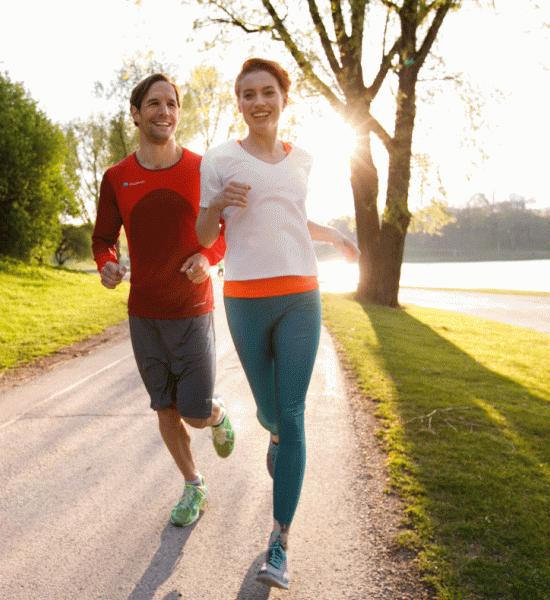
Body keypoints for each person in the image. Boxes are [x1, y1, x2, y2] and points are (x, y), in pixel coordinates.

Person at [195, 58, 360, 589]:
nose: (258, 102)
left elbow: (286, 215)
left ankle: (279, 542)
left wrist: (331, 233)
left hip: (300, 296)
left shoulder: (304, 159)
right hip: (244, 297)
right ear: (238, 103)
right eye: (248, 94)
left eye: (268, 92)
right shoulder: (219, 159)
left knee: (292, 414)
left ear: (284, 99)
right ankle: (272, 434)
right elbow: (202, 234)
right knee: (270, 411)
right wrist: (217, 202)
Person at [92, 73, 234, 528]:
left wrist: (208, 259)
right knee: (164, 407)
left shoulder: (201, 168)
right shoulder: (117, 177)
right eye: (154, 103)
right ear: (136, 114)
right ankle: (194, 484)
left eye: (172, 104)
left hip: (193, 310)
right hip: (144, 315)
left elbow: (222, 232)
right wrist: (107, 265)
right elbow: (102, 238)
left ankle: (216, 414)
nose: (165, 112)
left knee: (193, 412)